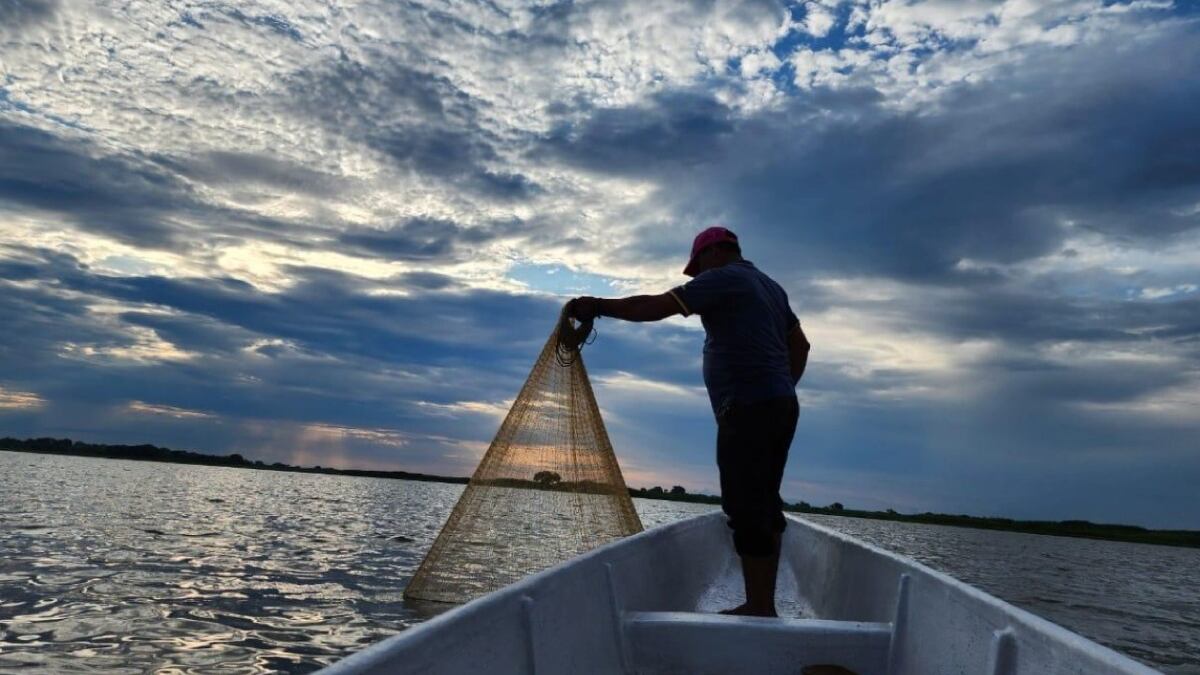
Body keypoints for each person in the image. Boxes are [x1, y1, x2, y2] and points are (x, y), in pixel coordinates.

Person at [568, 226, 810, 617]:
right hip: (778, 405)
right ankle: (762, 601)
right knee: (763, 501)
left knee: (747, 505)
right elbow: (801, 345)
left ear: (714, 252)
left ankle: (760, 606)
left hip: (748, 408)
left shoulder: (725, 278)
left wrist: (597, 305)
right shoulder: (770, 286)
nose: (697, 276)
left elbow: (655, 307)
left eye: (697, 267)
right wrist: (781, 386)